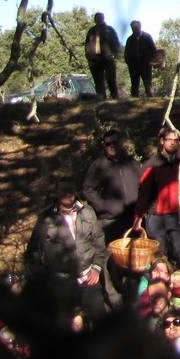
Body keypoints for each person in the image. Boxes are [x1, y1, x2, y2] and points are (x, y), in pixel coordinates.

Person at [24, 177, 110, 327]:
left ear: (76, 191)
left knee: (100, 320)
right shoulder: (46, 219)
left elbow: (99, 243)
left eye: (70, 189)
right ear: (56, 193)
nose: (67, 193)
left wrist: (96, 268)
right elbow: (33, 252)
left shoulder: (88, 212)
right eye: (63, 190)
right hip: (60, 283)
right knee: (64, 326)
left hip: (87, 277)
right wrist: (45, 280)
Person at [134, 128, 180, 272]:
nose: (173, 143)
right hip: (157, 216)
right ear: (162, 141)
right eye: (169, 140)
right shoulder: (152, 164)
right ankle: (161, 281)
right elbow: (144, 192)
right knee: (160, 255)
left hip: (177, 215)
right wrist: (138, 216)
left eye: (176, 140)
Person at [83, 128, 142, 241]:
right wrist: (102, 206)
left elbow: (142, 185)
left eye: (115, 142)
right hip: (111, 221)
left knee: (138, 250)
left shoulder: (131, 163)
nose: (112, 146)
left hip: (133, 218)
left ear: (121, 143)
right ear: (104, 146)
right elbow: (88, 189)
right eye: (108, 144)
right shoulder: (99, 165)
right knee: (113, 251)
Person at [84, 12, 121, 99]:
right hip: (94, 59)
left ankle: (115, 97)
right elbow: (87, 44)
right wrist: (88, 56)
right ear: (95, 20)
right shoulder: (91, 31)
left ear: (103, 19)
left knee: (111, 79)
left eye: (100, 18)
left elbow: (116, 43)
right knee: (98, 81)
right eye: (97, 18)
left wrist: (113, 54)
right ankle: (101, 99)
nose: (98, 20)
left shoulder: (109, 30)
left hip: (108, 58)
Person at [124, 19, 157, 97]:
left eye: (136, 27)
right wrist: (129, 63)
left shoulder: (147, 37)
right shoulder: (130, 39)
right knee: (134, 84)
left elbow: (153, 50)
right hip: (133, 66)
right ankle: (134, 100)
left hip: (145, 64)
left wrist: (150, 61)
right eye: (133, 28)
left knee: (148, 83)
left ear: (140, 27)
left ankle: (150, 99)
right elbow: (126, 53)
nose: (134, 29)